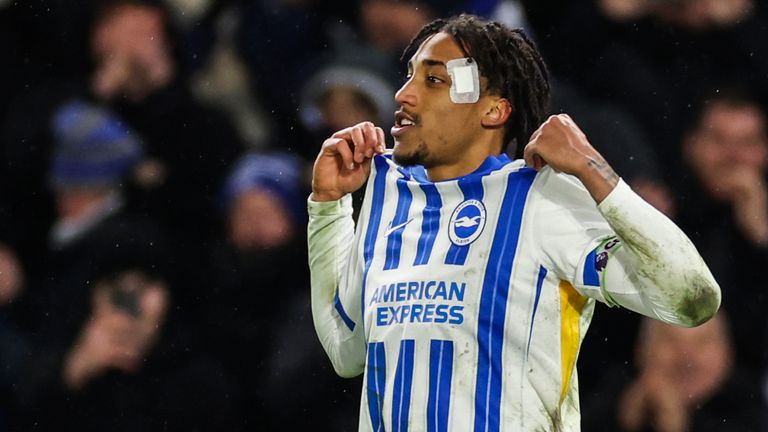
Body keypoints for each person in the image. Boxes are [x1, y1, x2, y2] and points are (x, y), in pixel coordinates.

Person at [306, 14, 721, 430]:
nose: (403, 94)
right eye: (409, 75)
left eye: (433, 81)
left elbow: (693, 297)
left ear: (493, 109)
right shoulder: (391, 201)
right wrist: (328, 206)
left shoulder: (541, 201)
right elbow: (346, 352)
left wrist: (594, 170)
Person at [582, 313, 766, 431]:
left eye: (702, 342)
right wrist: (620, 420)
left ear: (727, 353)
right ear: (641, 350)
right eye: (670, 341)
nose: (687, 357)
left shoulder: (751, 410)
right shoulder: (609, 393)